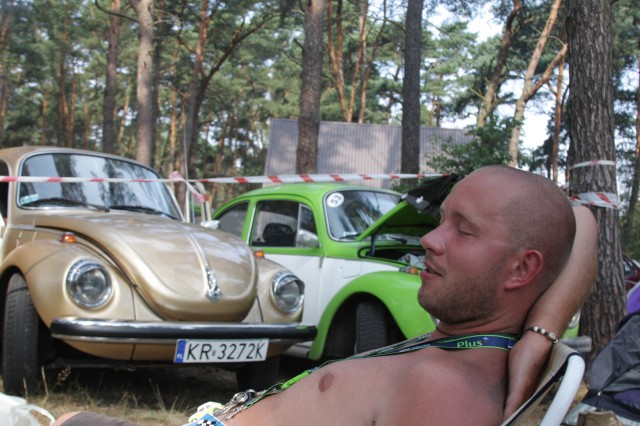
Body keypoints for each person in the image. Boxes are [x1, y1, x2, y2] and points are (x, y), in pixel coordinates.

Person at [55, 166, 598, 426]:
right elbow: (583, 217)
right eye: (442, 220)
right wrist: (542, 330)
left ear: (523, 268)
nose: (429, 240)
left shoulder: (447, 390)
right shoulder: (461, 349)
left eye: (464, 230)